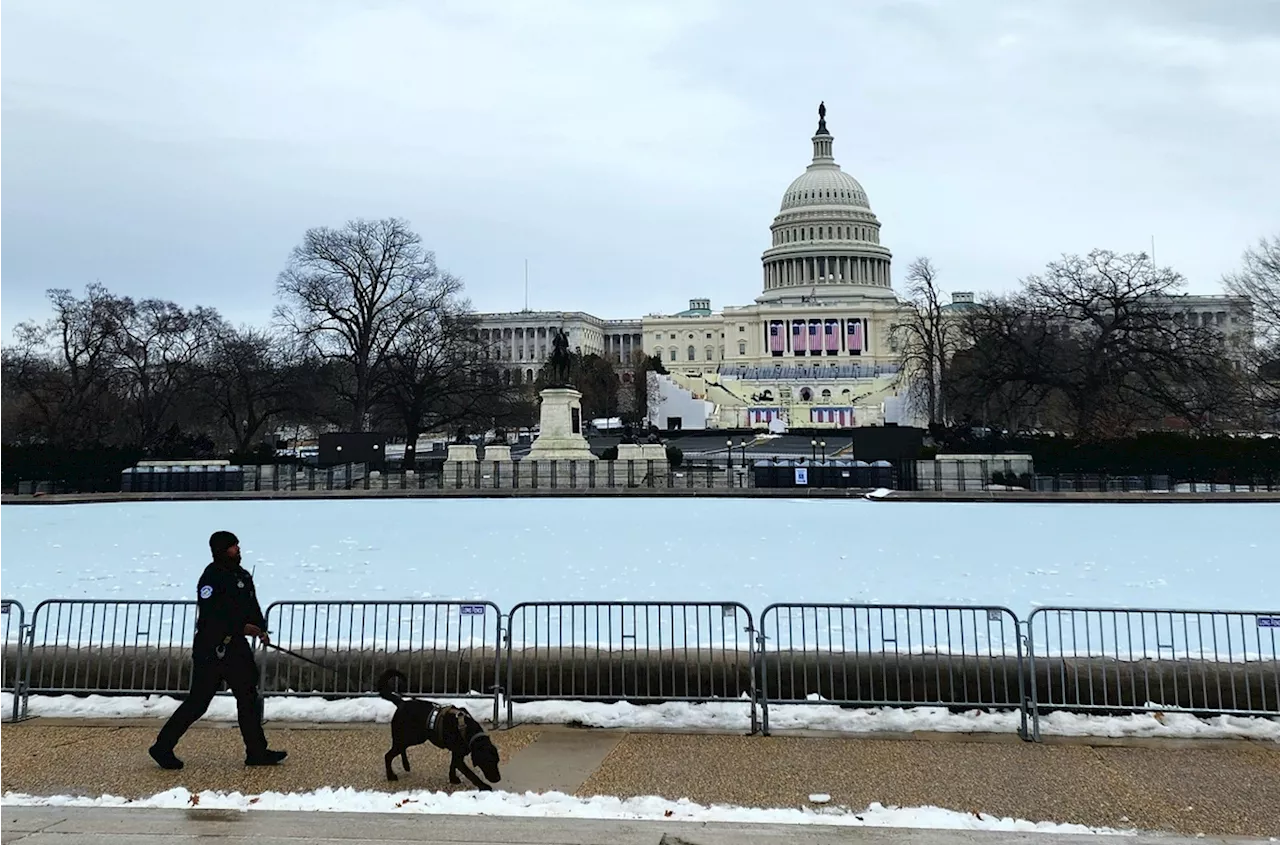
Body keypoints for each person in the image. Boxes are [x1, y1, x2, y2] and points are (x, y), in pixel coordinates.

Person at [149, 531, 287, 769]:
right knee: (198, 703)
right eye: (233, 546)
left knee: (248, 697)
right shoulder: (210, 578)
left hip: (237, 649)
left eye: (238, 545)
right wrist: (242, 627)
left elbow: (252, 606)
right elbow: (212, 614)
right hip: (211, 648)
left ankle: (256, 751)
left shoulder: (242, 575)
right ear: (221, 550)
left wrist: (260, 628)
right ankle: (162, 746)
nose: (238, 549)